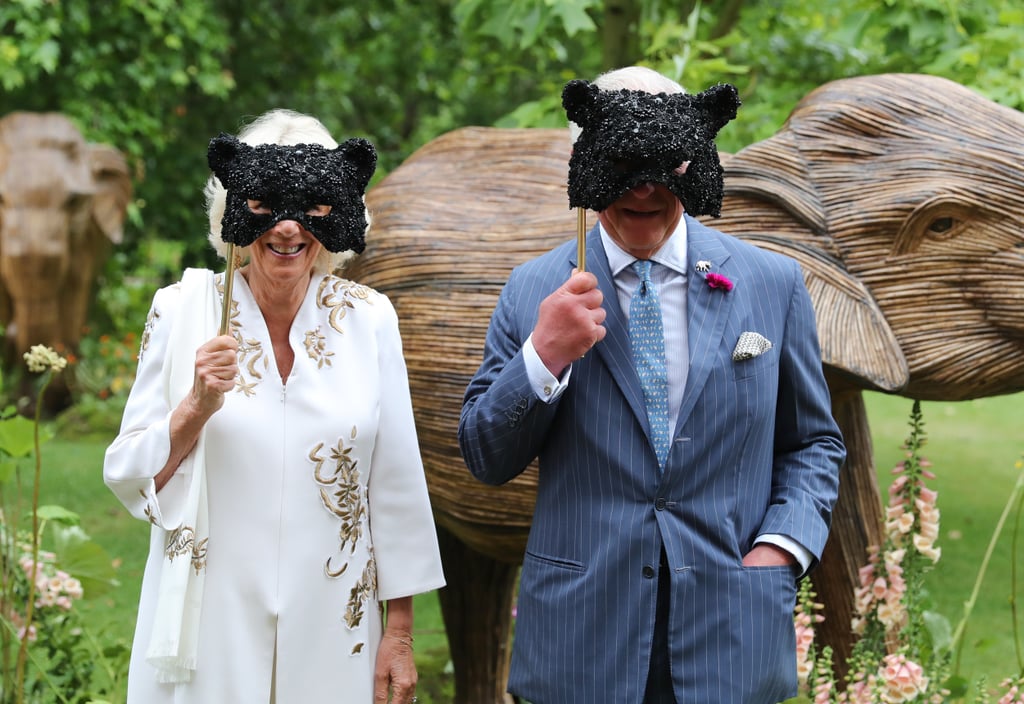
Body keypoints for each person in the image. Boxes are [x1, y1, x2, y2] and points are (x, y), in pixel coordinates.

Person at [458, 66, 845, 704]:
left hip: (730, 632)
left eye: (665, 166)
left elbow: (812, 445)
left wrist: (783, 549)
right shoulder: (532, 289)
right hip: (580, 644)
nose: (643, 189)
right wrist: (544, 353)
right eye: (621, 165)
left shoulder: (772, 284)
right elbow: (485, 456)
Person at [104, 109, 444, 704]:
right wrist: (195, 406)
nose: (288, 229)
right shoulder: (183, 310)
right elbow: (131, 477)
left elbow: (396, 483)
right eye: (265, 205)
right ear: (233, 213)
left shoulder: (369, 318)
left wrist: (401, 633)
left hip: (335, 624)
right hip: (211, 622)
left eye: (312, 207)